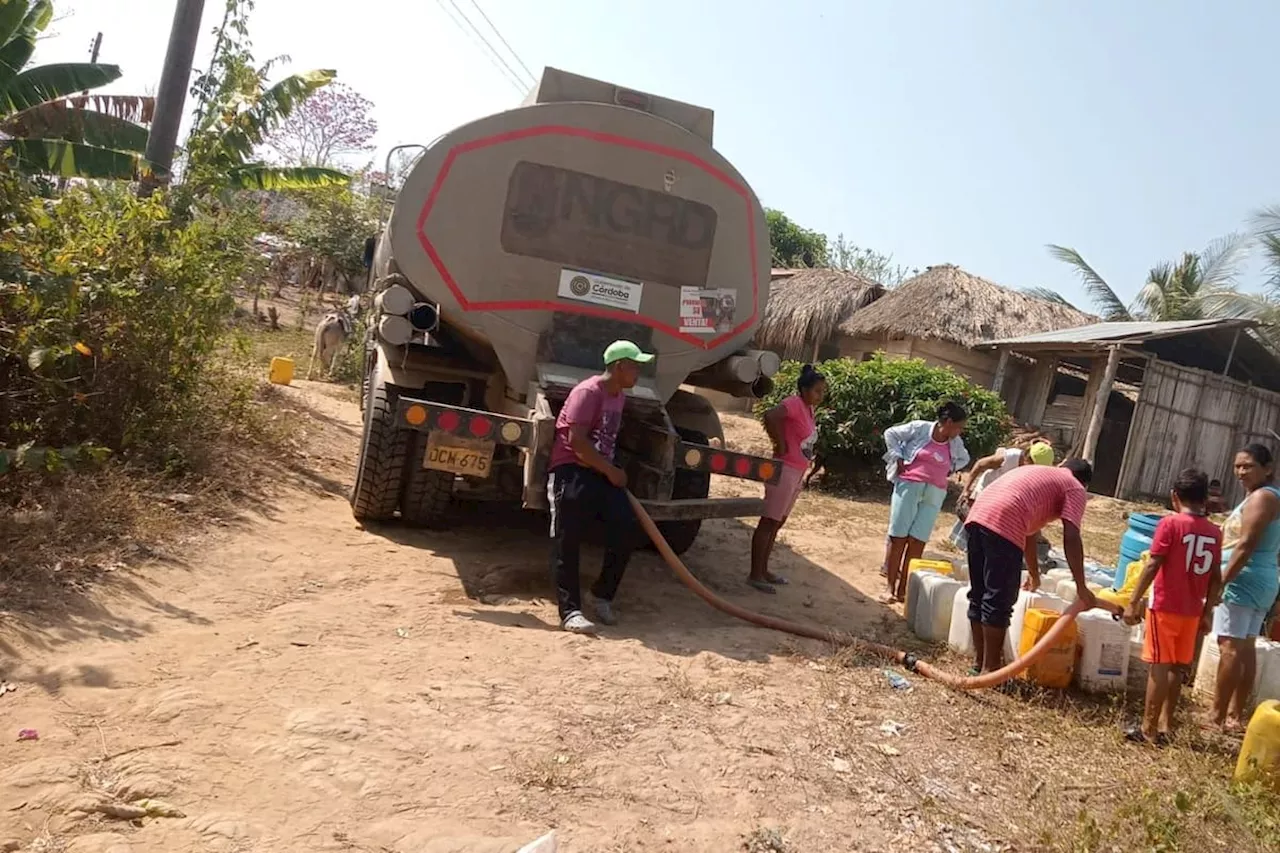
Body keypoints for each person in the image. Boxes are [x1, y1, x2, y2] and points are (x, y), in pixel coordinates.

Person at [546, 340, 652, 634]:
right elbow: (577, 443)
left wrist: (610, 471)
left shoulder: (618, 396)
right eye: (635, 366)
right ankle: (570, 612)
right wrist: (611, 471)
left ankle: (602, 594)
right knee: (567, 538)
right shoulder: (587, 392)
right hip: (572, 470)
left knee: (627, 528)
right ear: (619, 367)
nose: (639, 373)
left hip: (600, 473)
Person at [963, 459, 1097, 673]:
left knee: (980, 594)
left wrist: (1034, 574)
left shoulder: (1040, 473)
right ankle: (992, 670)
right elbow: (1071, 535)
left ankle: (979, 664)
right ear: (1085, 484)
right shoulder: (1074, 486)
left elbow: (1030, 533)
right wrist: (1081, 586)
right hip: (1005, 517)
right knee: (999, 599)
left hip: (978, 514)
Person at [1122, 468, 1221, 745]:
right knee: (1177, 668)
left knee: (1159, 667)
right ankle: (1166, 726)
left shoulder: (1170, 524)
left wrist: (1133, 602)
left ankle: (1148, 729)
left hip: (1165, 606)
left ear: (1174, 496)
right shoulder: (1214, 532)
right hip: (1192, 610)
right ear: (1204, 499)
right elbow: (1216, 578)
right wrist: (1208, 611)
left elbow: (1153, 563)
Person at [1210, 443, 1280, 732]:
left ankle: (1217, 716)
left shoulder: (1262, 498)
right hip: (1261, 578)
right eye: (1238, 465)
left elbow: (1246, 544)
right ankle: (1235, 715)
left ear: (1268, 468)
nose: (1241, 471)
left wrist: (1221, 581)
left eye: (1248, 466)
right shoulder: (1265, 496)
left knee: (1229, 646)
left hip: (1244, 579)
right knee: (1246, 645)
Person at [880, 402, 971, 603]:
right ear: (947, 422)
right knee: (899, 538)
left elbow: (964, 458)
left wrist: (950, 468)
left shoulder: (955, 444)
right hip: (909, 486)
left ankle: (904, 589)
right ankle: (889, 587)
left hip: (935, 492)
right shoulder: (920, 428)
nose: (960, 431)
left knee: (917, 542)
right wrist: (898, 458)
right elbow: (890, 434)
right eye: (958, 426)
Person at [750, 364, 827, 593]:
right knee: (769, 520)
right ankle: (755, 574)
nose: (821, 396)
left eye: (823, 391)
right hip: (785, 470)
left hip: (797, 471)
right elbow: (770, 415)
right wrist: (779, 444)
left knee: (777, 522)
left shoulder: (808, 409)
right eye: (817, 391)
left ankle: (764, 570)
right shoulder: (793, 404)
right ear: (804, 390)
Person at [949, 441, 1056, 551]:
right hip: (986, 493)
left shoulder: (1034, 473)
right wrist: (966, 490)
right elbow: (980, 464)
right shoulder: (1009, 458)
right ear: (1027, 458)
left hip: (1002, 500)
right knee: (976, 531)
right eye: (1034, 466)